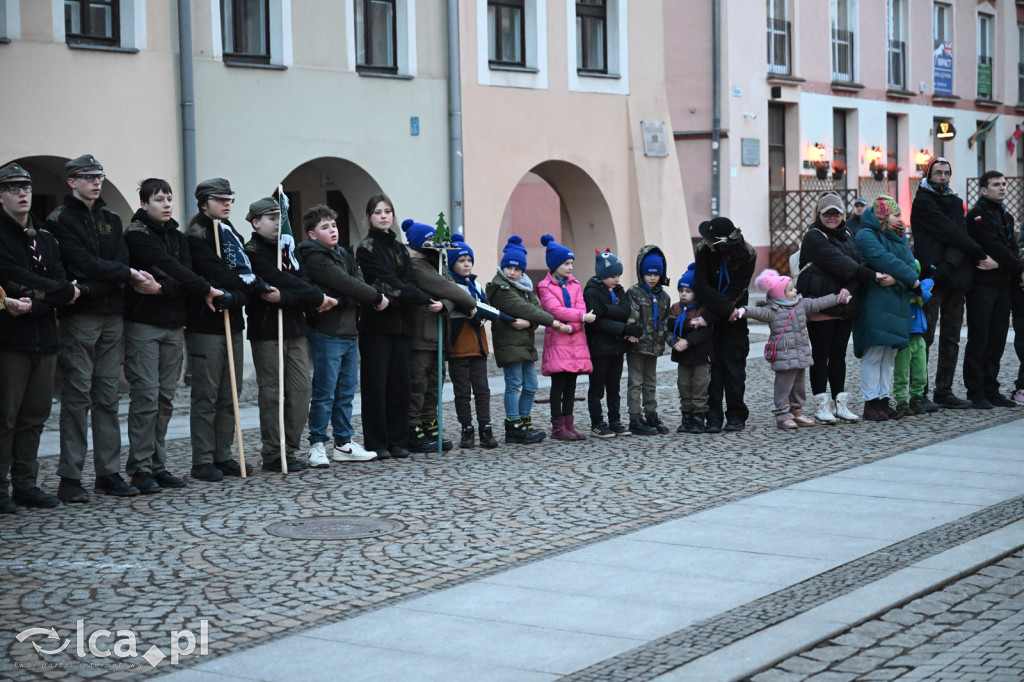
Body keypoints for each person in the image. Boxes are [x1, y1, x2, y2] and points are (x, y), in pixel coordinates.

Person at [48, 154, 159, 501]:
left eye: (99, 176)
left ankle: (108, 473)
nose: (96, 182)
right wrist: (112, 276)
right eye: (88, 177)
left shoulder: (111, 217)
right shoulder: (60, 219)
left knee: (108, 398)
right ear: (72, 182)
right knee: (77, 397)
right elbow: (77, 262)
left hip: (112, 314)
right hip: (80, 316)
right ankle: (70, 476)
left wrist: (105, 278)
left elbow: (119, 263)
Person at [123, 178, 223, 493]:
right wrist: (190, 285)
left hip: (172, 325)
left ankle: (158, 465)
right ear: (143, 204)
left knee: (166, 398)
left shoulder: (179, 238)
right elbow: (174, 270)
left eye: (169, 198)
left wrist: (162, 288)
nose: (166, 204)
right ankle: (140, 468)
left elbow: (185, 278)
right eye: (158, 200)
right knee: (146, 397)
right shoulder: (136, 236)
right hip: (143, 324)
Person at [0, 163, 79, 512]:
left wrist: (39, 300)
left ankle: (26, 484)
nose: (22, 194)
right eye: (14, 188)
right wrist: (54, 292)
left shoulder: (45, 237)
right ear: (1, 195)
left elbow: (62, 286)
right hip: (10, 340)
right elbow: (9, 276)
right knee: (6, 417)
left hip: (44, 338)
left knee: (35, 415)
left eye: (27, 188)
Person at [185, 178, 273, 481]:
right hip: (206, 324)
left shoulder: (228, 231)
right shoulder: (197, 234)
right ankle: (203, 459)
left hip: (232, 320)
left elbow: (244, 272)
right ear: (203, 202)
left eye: (229, 199)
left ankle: (223, 454)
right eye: (219, 199)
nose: (226, 204)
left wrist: (236, 295)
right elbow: (216, 272)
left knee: (230, 393)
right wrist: (239, 290)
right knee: (207, 394)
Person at [244, 198, 335, 472]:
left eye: (279, 217)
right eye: (271, 218)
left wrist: (286, 297)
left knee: (300, 391)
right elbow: (272, 280)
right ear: (256, 222)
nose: (277, 223)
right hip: (267, 330)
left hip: (295, 329)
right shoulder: (252, 251)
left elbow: (300, 283)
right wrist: (301, 294)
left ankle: (290, 449)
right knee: (272, 393)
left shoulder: (288, 249)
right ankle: (273, 453)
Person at [297, 204, 387, 465]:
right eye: (325, 228)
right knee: (324, 391)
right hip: (327, 332)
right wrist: (373, 297)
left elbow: (357, 284)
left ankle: (344, 443)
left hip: (349, 331)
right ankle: (317, 444)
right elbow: (348, 284)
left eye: (334, 225)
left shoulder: (345, 254)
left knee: (346, 391)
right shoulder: (315, 257)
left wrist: (343, 298)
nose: (333, 230)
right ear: (312, 235)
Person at [911, 157, 996, 409]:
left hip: (955, 277)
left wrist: (949, 263)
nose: (943, 177)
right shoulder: (923, 201)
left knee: (951, 338)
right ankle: (919, 392)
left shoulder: (957, 202)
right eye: (938, 173)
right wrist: (977, 252)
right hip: (931, 279)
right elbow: (949, 232)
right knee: (924, 338)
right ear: (929, 174)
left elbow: (959, 237)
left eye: (947, 173)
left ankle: (944, 391)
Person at [356, 195, 433, 459]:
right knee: (376, 384)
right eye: (378, 212)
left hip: (402, 325)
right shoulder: (365, 248)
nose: (384, 216)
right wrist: (413, 296)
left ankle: (398, 439)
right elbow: (382, 282)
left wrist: (408, 295)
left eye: (388, 211)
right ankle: (377, 441)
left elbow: (408, 280)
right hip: (376, 326)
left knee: (400, 384)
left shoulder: (400, 248)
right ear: (369, 217)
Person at [797, 193, 880, 424]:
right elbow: (840, 263)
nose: (832, 217)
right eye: (827, 213)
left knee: (838, 356)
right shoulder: (814, 236)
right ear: (819, 215)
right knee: (821, 355)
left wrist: (848, 287)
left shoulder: (848, 234)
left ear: (842, 214)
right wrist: (872, 276)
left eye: (836, 213)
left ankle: (839, 403)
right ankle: (821, 405)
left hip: (844, 305)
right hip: (821, 303)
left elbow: (857, 265)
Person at [738, 269, 849, 429]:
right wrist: (743, 311)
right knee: (783, 387)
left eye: (793, 287)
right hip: (784, 357)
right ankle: (782, 415)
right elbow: (757, 312)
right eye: (790, 289)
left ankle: (797, 412)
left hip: (800, 354)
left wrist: (837, 298)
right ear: (779, 295)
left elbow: (819, 302)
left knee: (799, 386)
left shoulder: (801, 305)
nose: (795, 291)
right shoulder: (772, 311)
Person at [401, 219, 476, 452]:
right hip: (422, 335)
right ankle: (413, 431)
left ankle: (430, 427)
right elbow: (449, 288)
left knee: (435, 384)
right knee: (419, 383)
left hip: (439, 336)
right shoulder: (417, 265)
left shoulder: (439, 262)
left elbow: (450, 292)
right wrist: (468, 303)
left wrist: (445, 304)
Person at [486, 236, 567, 444]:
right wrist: (553, 322)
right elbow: (525, 309)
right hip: (510, 344)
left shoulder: (524, 287)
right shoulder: (500, 288)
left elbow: (533, 312)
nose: (513, 272)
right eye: (509, 268)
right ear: (503, 268)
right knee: (513, 384)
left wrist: (529, 324)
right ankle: (513, 427)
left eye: (517, 269)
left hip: (524, 343)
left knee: (530, 386)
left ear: (522, 270)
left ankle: (524, 422)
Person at [854, 196, 921, 421]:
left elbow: (910, 264)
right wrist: (911, 279)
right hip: (875, 301)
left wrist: (898, 280)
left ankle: (883, 399)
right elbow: (882, 259)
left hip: (896, 299)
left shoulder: (899, 237)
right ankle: (871, 401)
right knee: (874, 353)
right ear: (883, 216)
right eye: (896, 215)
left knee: (889, 354)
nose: (900, 220)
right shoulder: (866, 235)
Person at [963, 171, 1023, 409]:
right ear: (983, 190)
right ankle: (976, 391)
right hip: (982, 287)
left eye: (1004, 184)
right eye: (996, 184)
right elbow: (992, 244)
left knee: (997, 339)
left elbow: (1009, 247)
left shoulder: (1006, 216)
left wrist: (1004, 263)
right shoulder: (977, 215)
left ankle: (991, 388)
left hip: (1002, 285)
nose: (1002, 187)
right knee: (980, 338)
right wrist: (1017, 266)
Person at [693, 217, 757, 432]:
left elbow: (737, 290)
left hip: (735, 316)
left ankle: (736, 414)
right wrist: (715, 314)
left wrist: (725, 311)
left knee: (734, 367)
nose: (707, 243)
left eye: (712, 241)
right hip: (715, 313)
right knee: (713, 368)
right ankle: (713, 415)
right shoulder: (703, 250)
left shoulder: (747, 254)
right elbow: (701, 286)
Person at [537, 234, 595, 441]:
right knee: (558, 384)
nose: (570, 267)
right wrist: (580, 319)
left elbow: (581, 307)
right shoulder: (545, 286)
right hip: (558, 341)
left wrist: (572, 326)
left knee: (571, 384)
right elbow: (555, 310)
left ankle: (569, 424)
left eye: (571, 263)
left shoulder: (575, 284)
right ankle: (557, 426)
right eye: (566, 263)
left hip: (574, 339)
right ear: (555, 265)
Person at [447, 234, 501, 448]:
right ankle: (466, 428)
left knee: (482, 389)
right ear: (452, 264)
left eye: (469, 260)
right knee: (462, 391)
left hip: (478, 345)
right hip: (459, 346)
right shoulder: (450, 287)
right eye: (461, 260)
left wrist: (481, 313)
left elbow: (486, 308)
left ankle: (485, 427)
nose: (466, 264)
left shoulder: (476, 286)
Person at [584, 248, 641, 437]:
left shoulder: (618, 290)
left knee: (614, 388)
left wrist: (606, 309)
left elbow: (625, 310)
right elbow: (597, 322)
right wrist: (623, 328)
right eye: (613, 275)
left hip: (617, 348)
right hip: (599, 347)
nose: (617, 279)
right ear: (602, 275)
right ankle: (597, 423)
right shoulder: (591, 292)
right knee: (597, 388)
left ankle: (615, 420)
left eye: (618, 275)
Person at [625, 245, 672, 435]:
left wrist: (671, 340)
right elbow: (631, 316)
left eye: (656, 274)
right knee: (635, 382)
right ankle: (635, 417)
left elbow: (666, 321)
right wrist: (631, 333)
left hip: (654, 347)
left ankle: (651, 414)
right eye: (648, 274)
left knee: (651, 381)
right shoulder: (634, 293)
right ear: (641, 273)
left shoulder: (664, 297)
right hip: (637, 345)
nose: (652, 278)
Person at [667, 263, 714, 434]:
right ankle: (686, 417)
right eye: (681, 291)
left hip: (700, 356)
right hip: (683, 357)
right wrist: (689, 323)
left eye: (688, 291)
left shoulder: (704, 309)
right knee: (684, 386)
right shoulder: (677, 308)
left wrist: (687, 341)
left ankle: (699, 418)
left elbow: (705, 332)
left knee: (700, 386)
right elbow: (672, 325)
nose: (684, 294)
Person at [893, 261, 934, 416]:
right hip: (905, 336)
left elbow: (925, 294)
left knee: (920, 372)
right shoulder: (899, 289)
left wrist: (916, 286)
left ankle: (916, 398)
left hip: (919, 336)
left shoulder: (921, 287)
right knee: (901, 371)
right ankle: (901, 399)